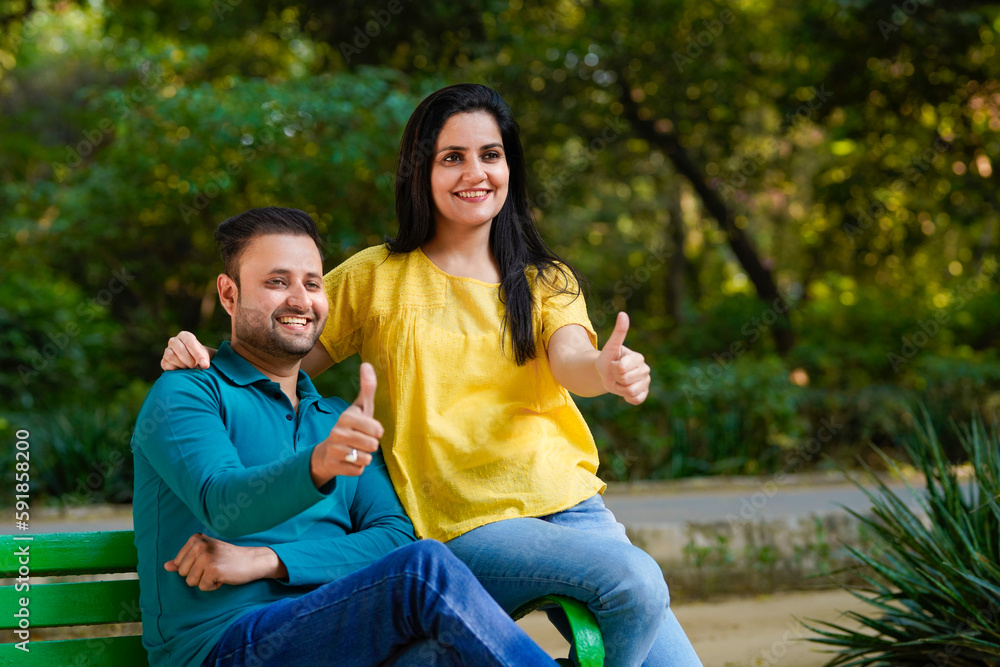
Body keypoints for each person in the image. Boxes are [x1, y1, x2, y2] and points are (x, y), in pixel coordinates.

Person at [162, 85, 702, 666]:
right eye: (454, 157)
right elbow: (277, 359)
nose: (476, 172)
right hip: (462, 526)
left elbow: (571, 359)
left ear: (510, 167)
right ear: (421, 169)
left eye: (490, 155)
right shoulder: (376, 276)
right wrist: (201, 361)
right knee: (636, 580)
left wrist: (606, 369)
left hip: (572, 508)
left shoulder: (546, 280)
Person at [134, 206, 557, 667]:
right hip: (225, 647)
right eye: (277, 282)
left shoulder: (336, 417)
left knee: (442, 657)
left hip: (343, 638)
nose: (300, 299)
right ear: (229, 294)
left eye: (312, 284)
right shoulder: (186, 392)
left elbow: (393, 539)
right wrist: (317, 465)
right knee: (425, 570)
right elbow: (222, 501)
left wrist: (269, 560)